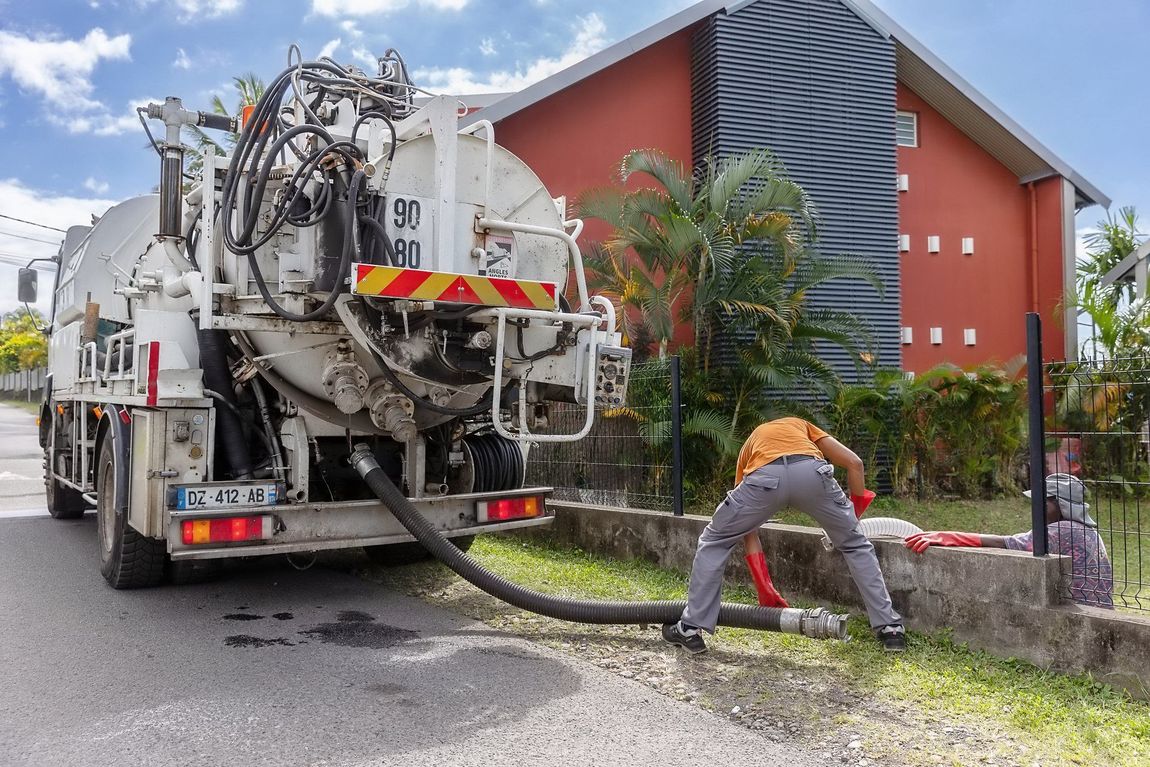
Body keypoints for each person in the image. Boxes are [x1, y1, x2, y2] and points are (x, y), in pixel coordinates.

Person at [662, 417, 905, 654]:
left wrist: (764, 586)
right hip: (812, 473)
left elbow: (748, 531)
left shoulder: (751, 445)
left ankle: (690, 629)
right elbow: (855, 463)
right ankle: (890, 629)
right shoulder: (803, 426)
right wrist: (852, 518)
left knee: (714, 540)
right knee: (856, 545)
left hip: (763, 477)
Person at [904, 473, 1114, 608]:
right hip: (1098, 609)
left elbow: (1005, 543)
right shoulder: (1085, 530)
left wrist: (946, 537)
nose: (1036, 508)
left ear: (1060, 504)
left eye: (1043, 502)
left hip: (1082, 613)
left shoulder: (1061, 530)